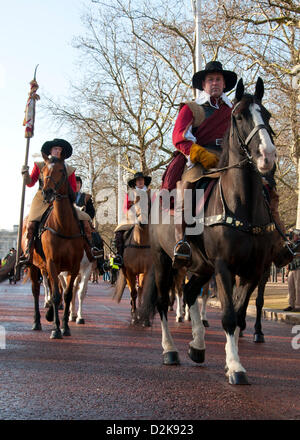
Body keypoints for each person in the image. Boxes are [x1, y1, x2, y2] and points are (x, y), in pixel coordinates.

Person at [161, 61, 237, 266]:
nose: (215, 83)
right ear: (203, 84)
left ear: (224, 84)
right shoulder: (191, 108)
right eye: (210, 79)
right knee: (186, 188)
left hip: (229, 159)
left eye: (218, 79)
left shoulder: (232, 109)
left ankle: (275, 236)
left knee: (260, 183)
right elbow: (179, 137)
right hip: (199, 159)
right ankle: (181, 242)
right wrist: (200, 154)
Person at [20, 138, 95, 265]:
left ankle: (90, 249)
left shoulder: (69, 169)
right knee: (31, 223)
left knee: (85, 220)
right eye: (55, 149)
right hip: (42, 198)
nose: (57, 151)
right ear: (50, 150)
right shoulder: (40, 165)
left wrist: (75, 198)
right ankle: (28, 252)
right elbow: (30, 183)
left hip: (61, 199)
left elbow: (72, 188)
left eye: (60, 150)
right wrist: (25, 174)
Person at [114, 171, 152, 266]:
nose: (140, 181)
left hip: (150, 219)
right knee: (118, 233)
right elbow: (125, 208)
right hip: (131, 219)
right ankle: (120, 257)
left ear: (144, 181)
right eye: (138, 180)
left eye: (141, 179)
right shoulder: (130, 193)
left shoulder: (151, 193)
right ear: (135, 182)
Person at [284, 229, 300, 312]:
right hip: (291, 267)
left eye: (296, 235)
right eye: (294, 235)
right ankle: (291, 304)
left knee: (298, 287)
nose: (295, 237)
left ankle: (298, 305)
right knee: (291, 287)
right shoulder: (290, 244)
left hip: (298, 267)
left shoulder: (298, 244)